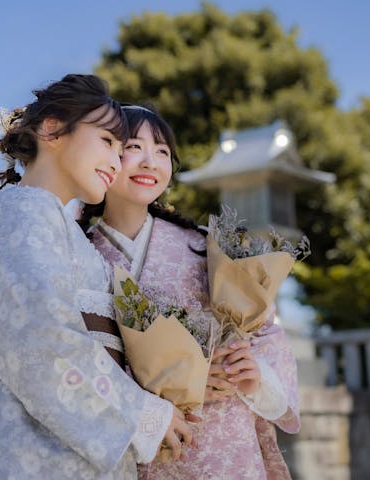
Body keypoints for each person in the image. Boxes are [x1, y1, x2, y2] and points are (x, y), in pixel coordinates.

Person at [0, 74, 193, 479]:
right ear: (52, 129)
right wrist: (140, 413)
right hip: (44, 454)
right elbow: (41, 342)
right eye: (108, 141)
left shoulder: (51, 222)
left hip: (72, 451)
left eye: (121, 149)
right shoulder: (24, 214)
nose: (117, 160)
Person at [81, 104, 300, 479]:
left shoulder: (203, 247)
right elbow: (73, 355)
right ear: (104, 156)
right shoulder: (79, 254)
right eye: (134, 147)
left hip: (223, 442)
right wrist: (178, 380)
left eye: (163, 151)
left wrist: (254, 372)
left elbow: (265, 331)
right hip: (139, 444)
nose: (151, 161)